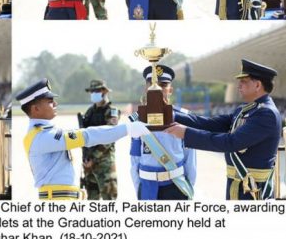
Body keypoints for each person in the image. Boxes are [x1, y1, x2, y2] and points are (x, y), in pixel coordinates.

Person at [166, 59, 281, 200]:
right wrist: (172, 114)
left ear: (257, 85)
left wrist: (186, 133)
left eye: (244, 81)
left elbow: (230, 142)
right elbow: (211, 124)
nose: (239, 84)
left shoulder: (266, 114)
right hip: (238, 184)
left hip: (254, 190)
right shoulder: (245, 109)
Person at [16, 78, 149, 200]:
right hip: (57, 199)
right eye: (50, 102)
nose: (55, 103)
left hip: (65, 195)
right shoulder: (42, 136)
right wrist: (127, 129)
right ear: (36, 108)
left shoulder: (44, 133)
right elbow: (87, 135)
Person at [130, 65, 196, 200]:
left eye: (163, 85)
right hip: (147, 188)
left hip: (176, 187)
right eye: (153, 84)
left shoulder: (183, 118)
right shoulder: (137, 120)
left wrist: (188, 189)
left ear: (170, 90)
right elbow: (134, 159)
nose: (158, 89)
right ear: (146, 89)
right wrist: (139, 191)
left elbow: (190, 160)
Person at [81, 80, 120, 200]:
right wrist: (87, 159)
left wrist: (93, 158)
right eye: (92, 91)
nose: (93, 93)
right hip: (89, 165)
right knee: (92, 201)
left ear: (104, 92)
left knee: (109, 202)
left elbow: (109, 138)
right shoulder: (90, 111)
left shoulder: (112, 111)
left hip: (104, 165)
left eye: (97, 91)